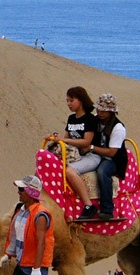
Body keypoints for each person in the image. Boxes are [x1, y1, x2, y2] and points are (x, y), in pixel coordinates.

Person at [43, 86, 101, 219]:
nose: (68, 104)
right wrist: (55, 137)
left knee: (69, 171)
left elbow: (87, 142)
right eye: (67, 101)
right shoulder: (71, 119)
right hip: (75, 155)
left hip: (91, 155)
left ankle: (88, 205)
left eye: (71, 100)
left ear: (80, 100)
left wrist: (64, 139)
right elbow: (66, 139)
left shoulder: (90, 119)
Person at [92, 93, 128, 220]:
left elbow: (112, 152)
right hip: (95, 156)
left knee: (102, 172)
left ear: (111, 112)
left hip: (113, 160)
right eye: (98, 108)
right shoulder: (95, 120)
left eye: (103, 110)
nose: (99, 112)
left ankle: (107, 209)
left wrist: (91, 148)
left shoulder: (118, 128)